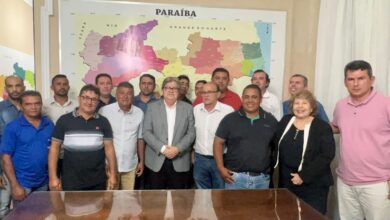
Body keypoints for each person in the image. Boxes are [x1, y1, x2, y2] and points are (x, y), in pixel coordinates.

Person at [332, 60, 390, 220]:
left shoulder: (386, 104)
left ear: (372, 80)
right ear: (345, 82)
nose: (355, 84)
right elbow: (336, 127)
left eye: (361, 78)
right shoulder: (340, 106)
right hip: (345, 182)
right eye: (351, 79)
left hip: (378, 183)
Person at [274, 90, 335, 214]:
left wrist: (303, 176)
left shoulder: (322, 127)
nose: (300, 106)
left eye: (304, 103)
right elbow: (274, 145)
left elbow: (327, 155)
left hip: (313, 185)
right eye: (297, 103)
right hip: (286, 182)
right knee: (287, 215)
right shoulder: (285, 121)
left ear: (312, 107)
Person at [48, 84, 117, 191]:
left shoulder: (104, 122)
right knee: (71, 208)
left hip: (98, 180)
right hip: (71, 181)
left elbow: (109, 149)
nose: (89, 102)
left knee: (98, 208)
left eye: (94, 99)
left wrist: (113, 174)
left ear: (98, 102)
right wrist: (53, 177)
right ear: (79, 98)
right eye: (85, 98)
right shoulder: (64, 120)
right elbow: (54, 149)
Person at [214, 84, 277, 189]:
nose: (250, 100)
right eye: (246, 97)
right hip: (234, 179)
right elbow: (218, 142)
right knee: (232, 206)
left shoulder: (271, 121)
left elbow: (276, 148)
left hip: (262, 180)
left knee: (260, 206)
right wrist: (220, 168)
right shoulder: (229, 119)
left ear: (260, 99)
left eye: (254, 97)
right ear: (242, 98)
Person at [0, 91, 54, 207]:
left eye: (37, 103)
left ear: (41, 104)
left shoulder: (49, 125)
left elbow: (52, 152)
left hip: (43, 182)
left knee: (42, 215)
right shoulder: (13, 127)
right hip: (22, 183)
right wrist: (15, 185)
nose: (33, 107)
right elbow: (6, 158)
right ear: (21, 106)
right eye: (28, 104)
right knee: (23, 216)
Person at [143, 77, 195, 189]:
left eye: (175, 88)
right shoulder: (152, 107)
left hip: (179, 160)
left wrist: (177, 149)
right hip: (155, 160)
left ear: (179, 90)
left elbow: (191, 133)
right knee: (156, 200)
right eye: (167, 87)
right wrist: (163, 149)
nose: (171, 90)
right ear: (163, 90)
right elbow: (146, 132)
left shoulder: (188, 108)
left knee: (178, 200)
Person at [99, 82, 144, 190]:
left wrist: (141, 161)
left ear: (133, 96)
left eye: (129, 93)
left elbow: (140, 138)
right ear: (116, 95)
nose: (125, 96)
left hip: (130, 165)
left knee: (128, 200)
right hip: (109, 165)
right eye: (122, 93)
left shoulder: (139, 113)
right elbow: (99, 139)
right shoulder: (104, 111)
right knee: (110, 200)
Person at [193, 82, 234, 189]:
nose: (206, 95)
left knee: (220, 194)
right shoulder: (196, 110)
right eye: (203, 92)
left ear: (218, 94)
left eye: (210, 92)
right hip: (200, 159)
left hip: (220, 160)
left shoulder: (228, 111)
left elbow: (233, 138)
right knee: (201, 195)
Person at [0, 75, 25, 217]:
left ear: (24, 87)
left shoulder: (32, 107)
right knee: (3, 206)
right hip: (5, 165)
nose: (14, 89)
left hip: (27, 165)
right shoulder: (1, 109)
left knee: (27, 207)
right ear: (5, 89)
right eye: (10, 86)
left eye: (18, 85)